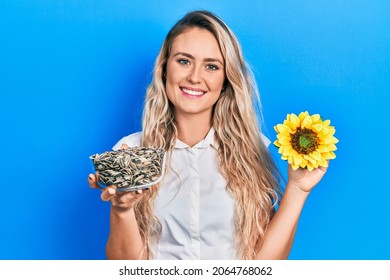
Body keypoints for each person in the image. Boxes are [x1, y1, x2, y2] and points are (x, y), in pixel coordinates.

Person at [88, 10, 328, 260]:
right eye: (183, 61)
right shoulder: (131, 152)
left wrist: (298, 189)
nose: (194, 77)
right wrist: (122, 209)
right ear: (164, 69)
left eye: (211, 66)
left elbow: (266, 265)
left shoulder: (253, 150)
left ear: (225, 79)